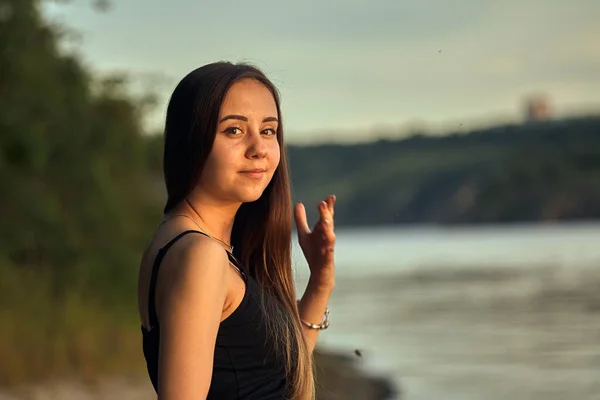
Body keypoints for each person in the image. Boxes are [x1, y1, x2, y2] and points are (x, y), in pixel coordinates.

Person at [137, 61, 336, 400]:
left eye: (269, 131)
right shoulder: (200, 256)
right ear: (192, 141)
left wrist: (320, 283)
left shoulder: (200, 247)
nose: (258, 148)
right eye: (234, 130)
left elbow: (274, 375)